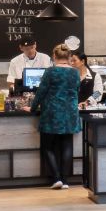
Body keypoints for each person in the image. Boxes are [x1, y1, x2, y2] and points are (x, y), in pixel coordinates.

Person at [32, 44, 82, 190]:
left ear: (54, 56)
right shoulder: (75, 72)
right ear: (69, 57)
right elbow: (77, 90)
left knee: (47, 146)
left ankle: (56, 178)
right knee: (67, 146)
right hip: (70, 112)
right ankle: (65, 181)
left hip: (52, 113)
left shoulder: (50, 71)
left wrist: (32, 107)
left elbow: (41, 92)